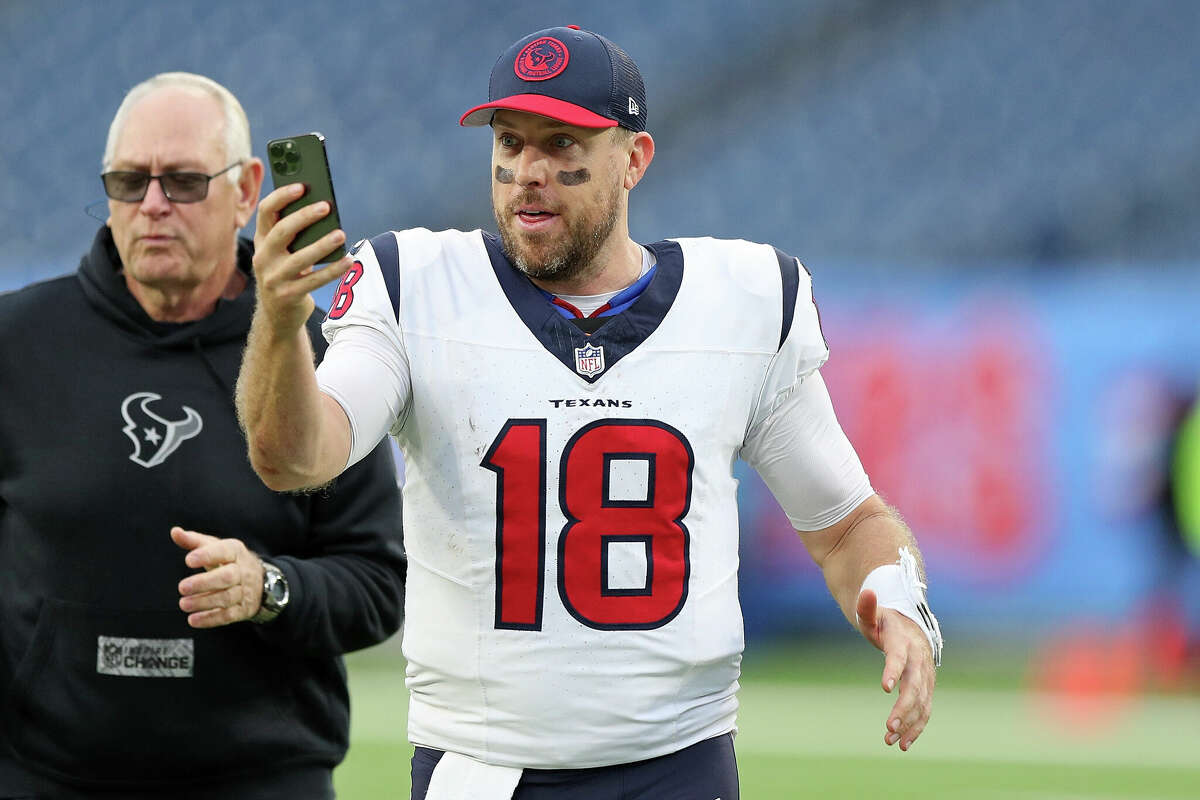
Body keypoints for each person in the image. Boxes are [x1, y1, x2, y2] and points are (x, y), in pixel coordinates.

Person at [238, 25, 942, 800]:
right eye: (511, 142)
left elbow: (845, 525)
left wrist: (898, 601)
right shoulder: (411, 284)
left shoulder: (740, 301)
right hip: (481, 769)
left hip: (678, 763)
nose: (528, 172)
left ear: (634, 159)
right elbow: (298, 458)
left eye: (561, 143)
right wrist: (277, 320)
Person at [0, 72, 406, 799]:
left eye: (184, 182)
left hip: (260, 780)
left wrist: (271, 588)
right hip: (46, 778)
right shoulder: (17, 343)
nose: (152, 206)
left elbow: (378, 585)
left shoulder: (323, 354)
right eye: (129, 182)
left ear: (249, 191)